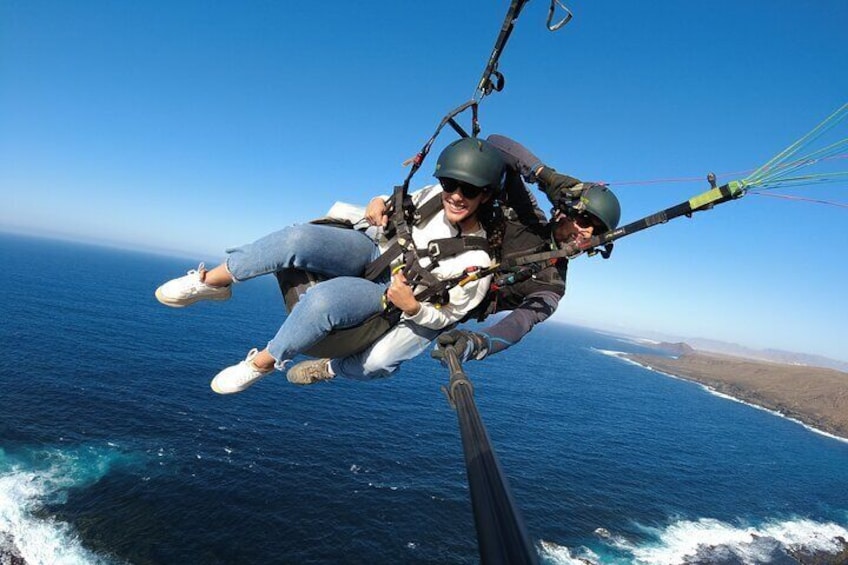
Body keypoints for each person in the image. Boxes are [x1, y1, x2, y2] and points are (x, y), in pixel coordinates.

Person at [154, 137, 506, 394]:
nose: (456, 195)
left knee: (323, 302)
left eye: (469, 190)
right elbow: (397, 204)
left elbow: (446, 315)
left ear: (485, 195)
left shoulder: (476, 261)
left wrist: (413, 308)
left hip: (390, 294)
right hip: (373, 252)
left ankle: (261, 363)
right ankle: (212, 282)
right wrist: (378, 202)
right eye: (450, 184)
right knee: (297, 239)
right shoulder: (432, 196)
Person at [285, 135, 621, 383]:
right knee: (344, 218)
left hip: (445, 305)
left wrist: (478, 342)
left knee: (376, 363)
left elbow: (522, 322)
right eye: (585, 220)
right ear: (563, 212)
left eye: (598, 231)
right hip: (425, 253)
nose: (587, 233)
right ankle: (286, 256)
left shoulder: (552, 286)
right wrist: (547, 176)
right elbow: (494, 146)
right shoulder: (527, 215)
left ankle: (328, 368)